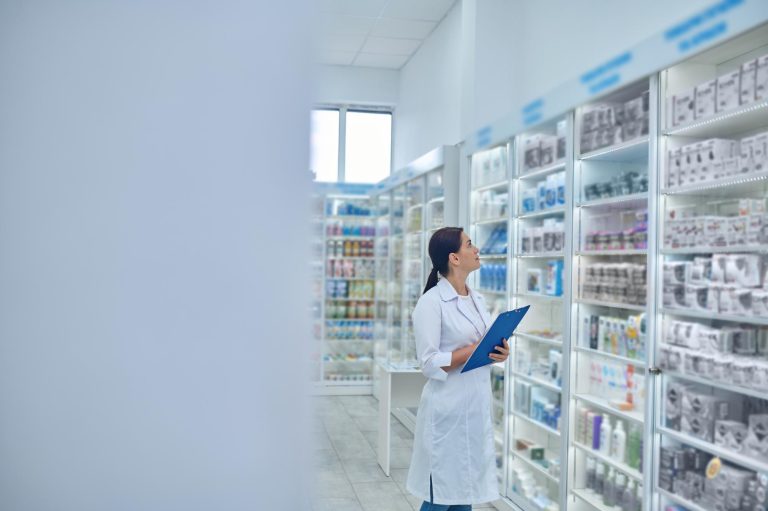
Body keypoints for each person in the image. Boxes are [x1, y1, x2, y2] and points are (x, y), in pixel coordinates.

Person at [405, 227, 510, 511]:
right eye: (469, 244)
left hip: (474, 408)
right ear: (454, 257)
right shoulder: (431, 303)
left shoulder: (477, 299)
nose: (476, 249)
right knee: (440, 497)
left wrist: (498, 352)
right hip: (446, 413)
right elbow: (428, 362)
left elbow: (482, 345)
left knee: (464, 495)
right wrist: (474, 350)